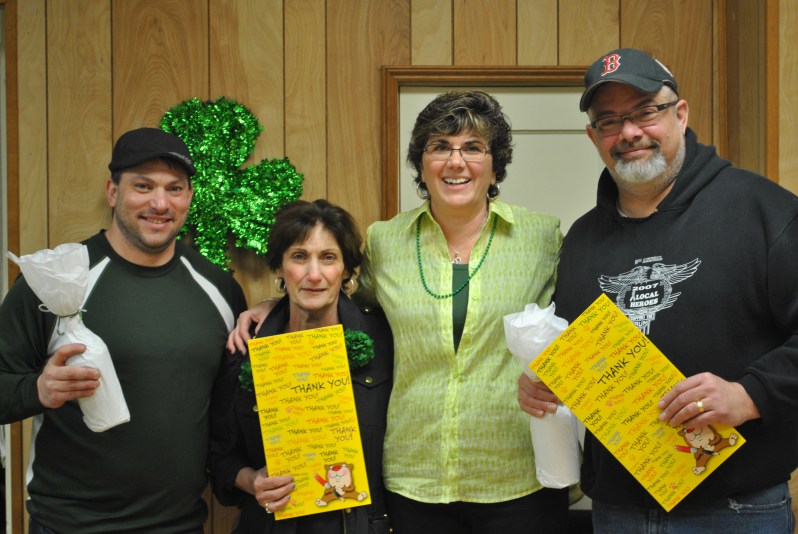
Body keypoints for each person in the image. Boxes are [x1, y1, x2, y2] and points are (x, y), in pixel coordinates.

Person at [230, 91, 568, 533]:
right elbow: (338, 290)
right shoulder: (387, 241)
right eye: (439, 147)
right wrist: (272, 303)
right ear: (422, 163)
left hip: (516, 475)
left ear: (494, 164)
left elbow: (575, 319)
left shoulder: (540, 236)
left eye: (473, 147)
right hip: (414, 480)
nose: (455, 162)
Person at [518, 48, 798, 532]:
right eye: (609, 121)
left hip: (735, 510)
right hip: (615, 510)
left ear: (680, 114)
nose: (628, 133)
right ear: (593, 137)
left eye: (645, 111)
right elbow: (584, 363)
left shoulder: (764, 213)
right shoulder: (582, 240)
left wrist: (750, 394)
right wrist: (546, 388)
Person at [0, 127, 247, 533]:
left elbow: (228, 414)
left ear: (189, 197)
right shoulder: (57, 281)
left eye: (175, 188)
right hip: (70, 525)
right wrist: (39, 390)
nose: (160, 203)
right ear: (113, 192)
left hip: (180, 524)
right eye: (143, 186)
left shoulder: (220, 288)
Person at [209, 199, 393, 533]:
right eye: (298, 256)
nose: (313, 274)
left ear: (347, 270)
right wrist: (251, 481)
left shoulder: (383, 340)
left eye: (328, 258)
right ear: (279, 268)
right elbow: (220, 455)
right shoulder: (247, 346)